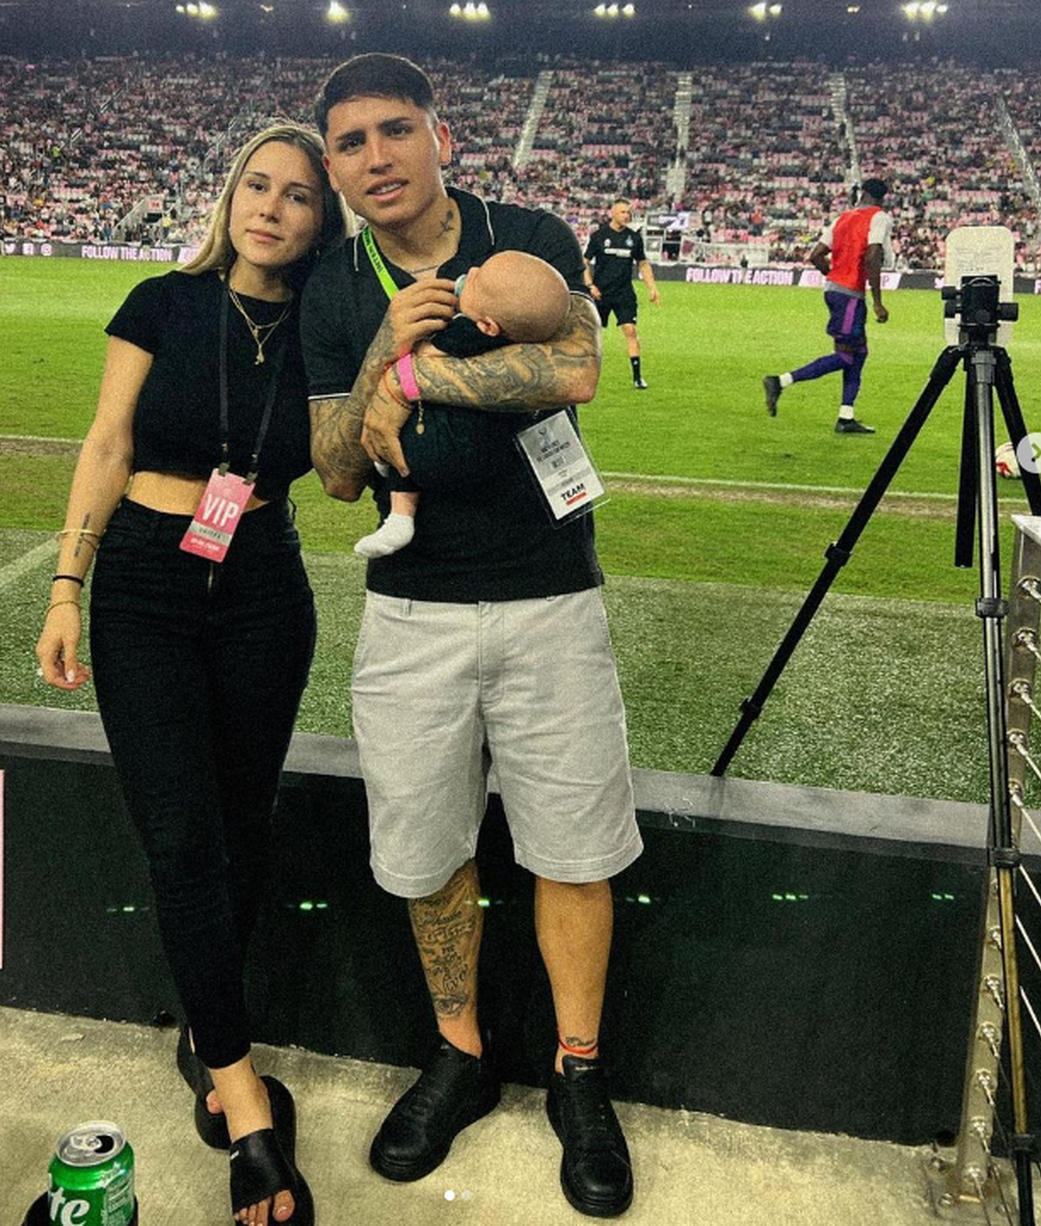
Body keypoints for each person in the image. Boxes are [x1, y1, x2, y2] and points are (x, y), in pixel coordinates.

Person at [302, 54, 642, 1219]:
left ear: (440, 134)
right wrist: (374, 353)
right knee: (427, 853)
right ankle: (460, 1053)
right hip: (410, 616)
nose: (375, 158)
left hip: (550, 594)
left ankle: (579, 1073)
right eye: (349, 143)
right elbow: (339, 475)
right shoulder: (337, 284)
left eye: (396, 130)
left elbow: (578, 366)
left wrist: (421, 374)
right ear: (335, 164)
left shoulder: (528, 230)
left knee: (574, 845)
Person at [35, 123, 349, 1226]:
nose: (271, 206)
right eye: (256, 185)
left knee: (241, 826)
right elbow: (108, 443)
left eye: (298, 196)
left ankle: (203, 1031)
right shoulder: (160, 302)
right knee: (179, 836)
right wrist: (68, 583)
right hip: (144, 589)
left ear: (322, 219)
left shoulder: (326, 322)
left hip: (263, 581)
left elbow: (353, 464)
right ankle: (243, 1098)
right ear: (229, 197)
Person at [353, 248, 571, 558]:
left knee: (403, 451)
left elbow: (424, 356)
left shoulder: (465, 332)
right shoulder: (520, 343)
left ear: (488, 326)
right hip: (493, 453)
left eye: (478, 280)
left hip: (439, 448)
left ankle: (399, 517)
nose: (470, 271)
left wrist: (412, 343)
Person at [763, 177, 893, 434]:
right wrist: (878, 302)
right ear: (881, 198)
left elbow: (815, 256)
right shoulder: (879, 217)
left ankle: (846, 416)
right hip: (850, 296)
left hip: (836, 292)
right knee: (845, 356)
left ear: (862, 193)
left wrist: (834, 275)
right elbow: (872, 255)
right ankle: (780, 381)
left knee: (859, 353)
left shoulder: (842, 218)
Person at [583, 197, 659, 390]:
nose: (627, 215)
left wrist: (652, 287)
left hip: (624, 293)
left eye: (628, 212)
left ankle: (637, 377)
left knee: (631, 331)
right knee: (592, 334)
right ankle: (586, 375)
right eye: (623, 212)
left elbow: (642, 263)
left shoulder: (634, 238)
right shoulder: (599, 236)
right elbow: (584, 263)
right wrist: (590, 285)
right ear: (613, 213)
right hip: (601, 293)